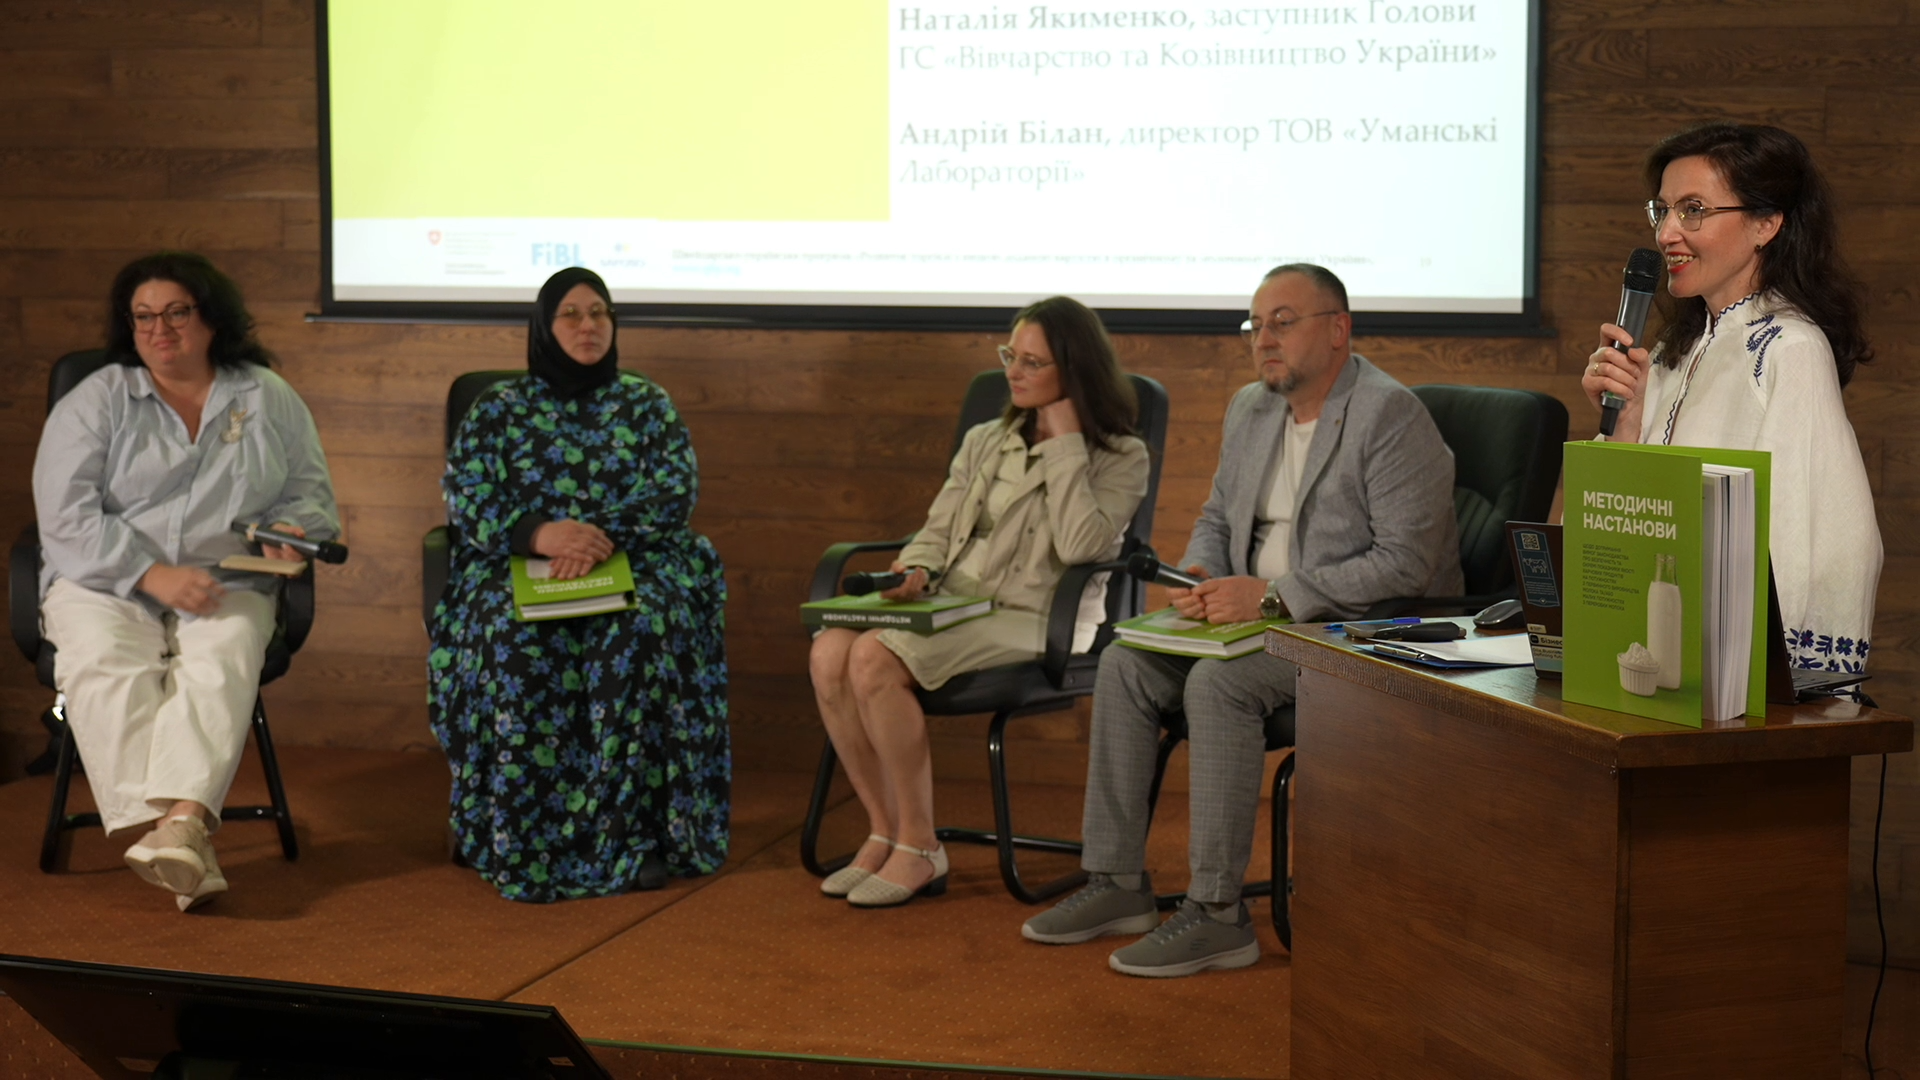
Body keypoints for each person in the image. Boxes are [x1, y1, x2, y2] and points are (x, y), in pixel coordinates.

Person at [1022, 264, 1462, 976]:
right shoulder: (1249, 409)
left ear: (1339, 329)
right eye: (1255, 325)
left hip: (1357, 631)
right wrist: (1197, 572)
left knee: (1218, 686)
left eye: (1283, 322)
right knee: (1126, 663)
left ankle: (1218, 913)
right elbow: (1218, 517)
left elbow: (1405, 565)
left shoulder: (1388, 415)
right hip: (1256, 621)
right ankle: (1117, 883)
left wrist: (1273, 596)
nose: (1264, 339)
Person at [809, 296, 1150, 909]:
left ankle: (921, 847)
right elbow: (938, 526)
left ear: (1074, 368)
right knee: (829, 650)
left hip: (1039, 617)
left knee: (870, 658)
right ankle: (884, 831)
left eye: (1031, 362)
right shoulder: (985, 440)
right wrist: (917, 567)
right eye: (1009, 355)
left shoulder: (1122, 455)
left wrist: (1066, 446)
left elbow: (1081, 547)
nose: (1012, 371)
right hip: (957, 604)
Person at [32, 251, 340, 912]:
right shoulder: (98, 400)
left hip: (225, 576)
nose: (158, 329)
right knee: (106, 659)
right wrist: (148, 573)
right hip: (105, 580)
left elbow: (311, 497)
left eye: (176, 312)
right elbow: (64, 518)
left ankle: (177, 830)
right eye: (142, 316)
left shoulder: (266, 396)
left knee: (223, 656)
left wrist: (289, 530)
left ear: (212, 318)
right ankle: (182, 828)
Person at [428, 267, 729, 902]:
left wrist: (593, 539)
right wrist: (539, 534)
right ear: (544, 326)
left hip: (635, 555)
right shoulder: (498, 409)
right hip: (516, 559)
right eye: (570, 313)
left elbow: (676, 492)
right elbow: (466, 497)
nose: (588, 325)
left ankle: (632, 839)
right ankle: (523, 837)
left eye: (599, 312)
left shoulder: (647, 404)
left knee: (638, 630)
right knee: (512, 637)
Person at [1584, 123, 1881, 674]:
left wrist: (1757, 674)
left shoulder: (1789, 348)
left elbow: (1805, 540)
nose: (1667, 233)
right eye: (1663, 210)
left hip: (1733, 671)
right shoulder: (1674, 349)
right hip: (1662, 647)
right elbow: (1638, 521)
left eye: (1693, 210)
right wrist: (1624, 425)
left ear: (1766, 224)